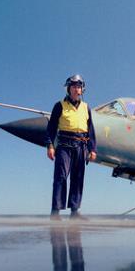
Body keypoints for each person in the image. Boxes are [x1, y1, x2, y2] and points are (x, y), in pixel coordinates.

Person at [45, 75, 97, 220]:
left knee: (78, 178)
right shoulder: (59, 105)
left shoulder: (87, 107)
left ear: (82, 90)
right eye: (73, 86)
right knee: (60, 177)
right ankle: (55, 212)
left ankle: (75, 211)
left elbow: (90, 130)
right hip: (64, 146)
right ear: (68, 88)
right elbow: (51, 128)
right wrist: (50, 145)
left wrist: (92, 149)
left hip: (81, 146)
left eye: (79, 87)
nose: (76, 89)